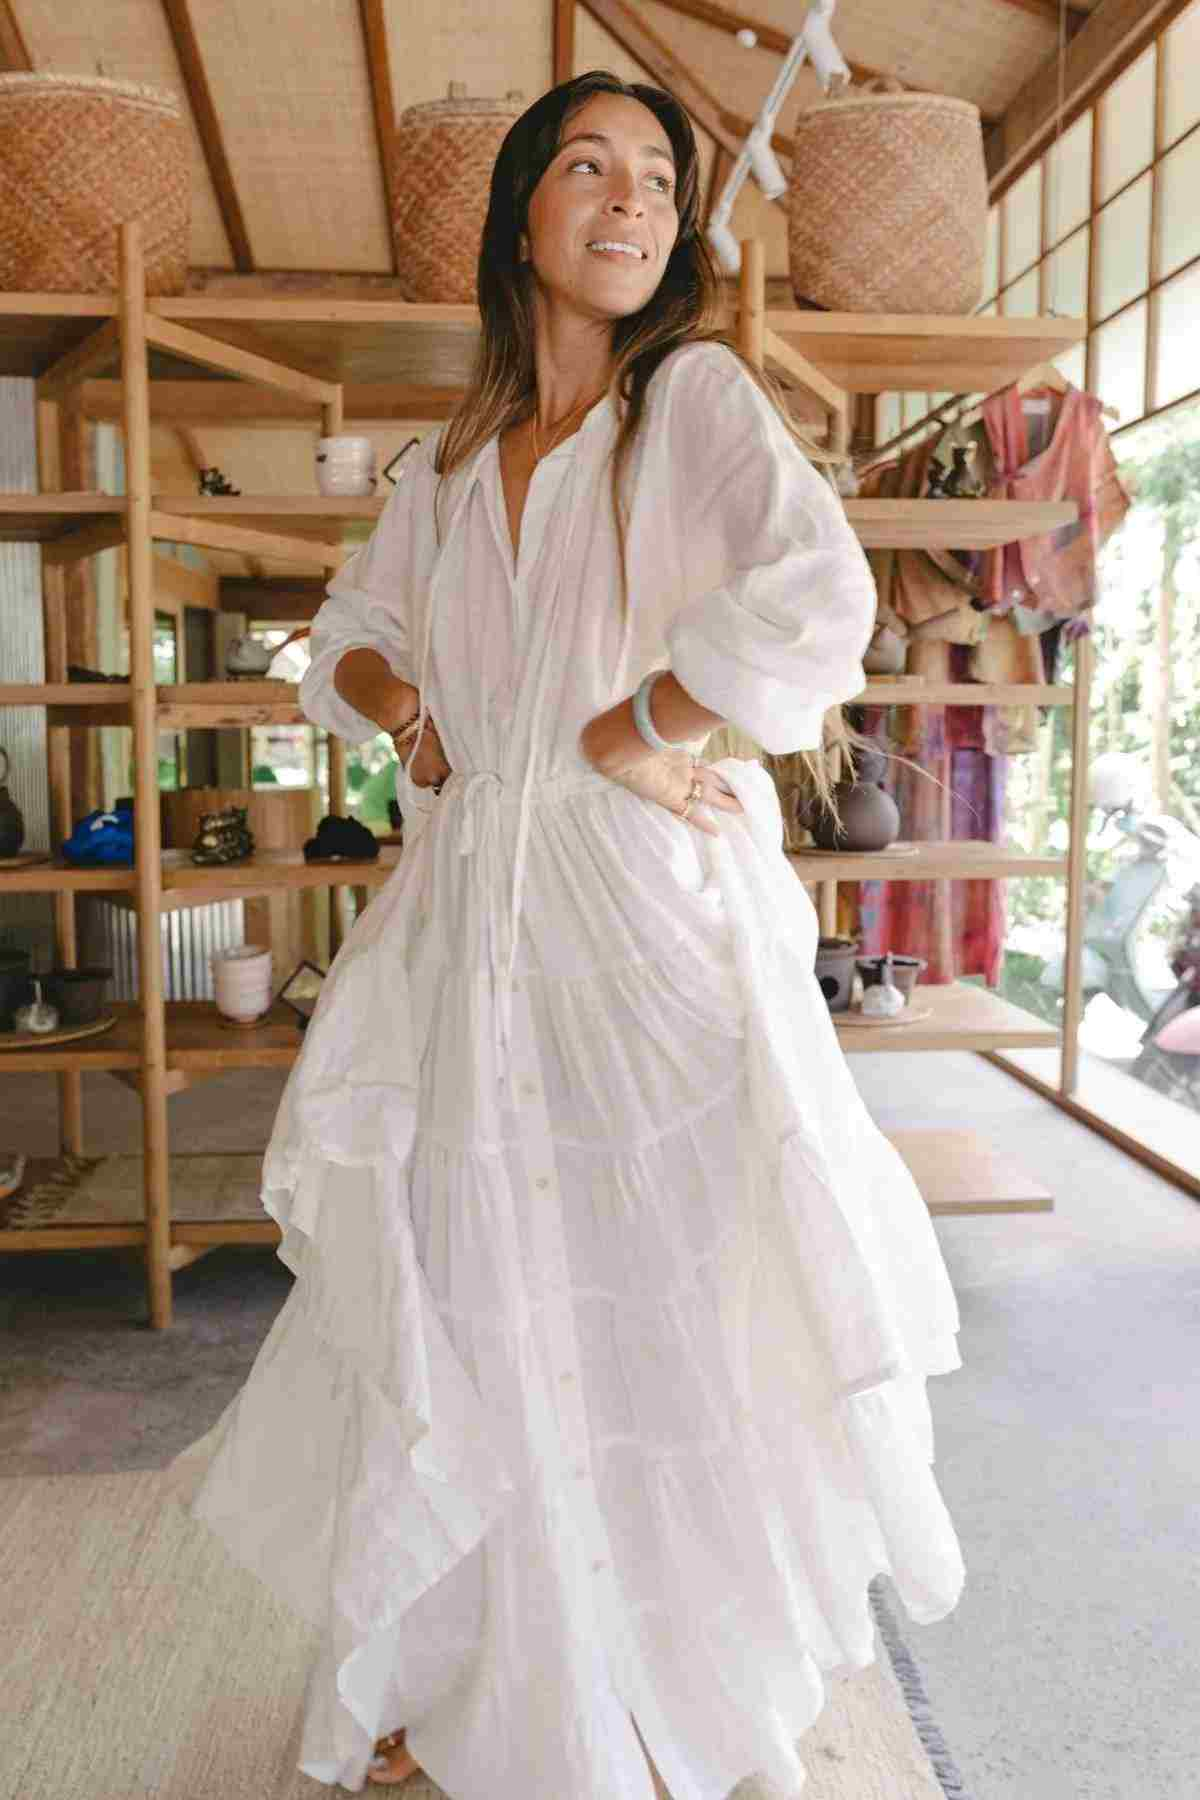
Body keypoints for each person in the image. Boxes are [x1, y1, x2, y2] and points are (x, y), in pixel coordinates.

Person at [167, 71, 965, 1799]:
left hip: (643, 919)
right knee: (476, 1285)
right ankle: (482, 1673)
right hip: (474, 921)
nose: (626, 201)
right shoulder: (455, 454)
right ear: (522, 207)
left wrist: (646, 718)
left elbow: (818, 586)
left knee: (652, 1292)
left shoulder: (688, 397)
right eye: (586, 167)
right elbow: (355, 628)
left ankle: (670, 1681)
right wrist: (410, 714)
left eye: (657, 178)